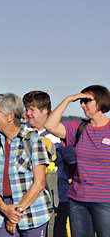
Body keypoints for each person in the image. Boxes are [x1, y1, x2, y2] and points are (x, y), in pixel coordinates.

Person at [44, 85, 110, 237]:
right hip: (77, 200)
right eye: (80, 101)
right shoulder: (78, 127)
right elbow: (49, 125)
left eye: (87, 100)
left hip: (105, 200)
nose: (82, 105)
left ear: (101, 101)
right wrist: (68, 99)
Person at [0, 93, 52, 236]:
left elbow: (39, 183)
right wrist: (5, 209)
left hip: (32, 212)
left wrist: (15, 214)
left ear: (10, 116)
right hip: (3, 211)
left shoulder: (33, 141)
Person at [23, 91, 70, 237]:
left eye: (32, 109)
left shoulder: (59, 136)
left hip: (58, 199)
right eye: (26, 109)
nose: (28, 113)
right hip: (28, 199)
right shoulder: (23, 134)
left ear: (45, 111)